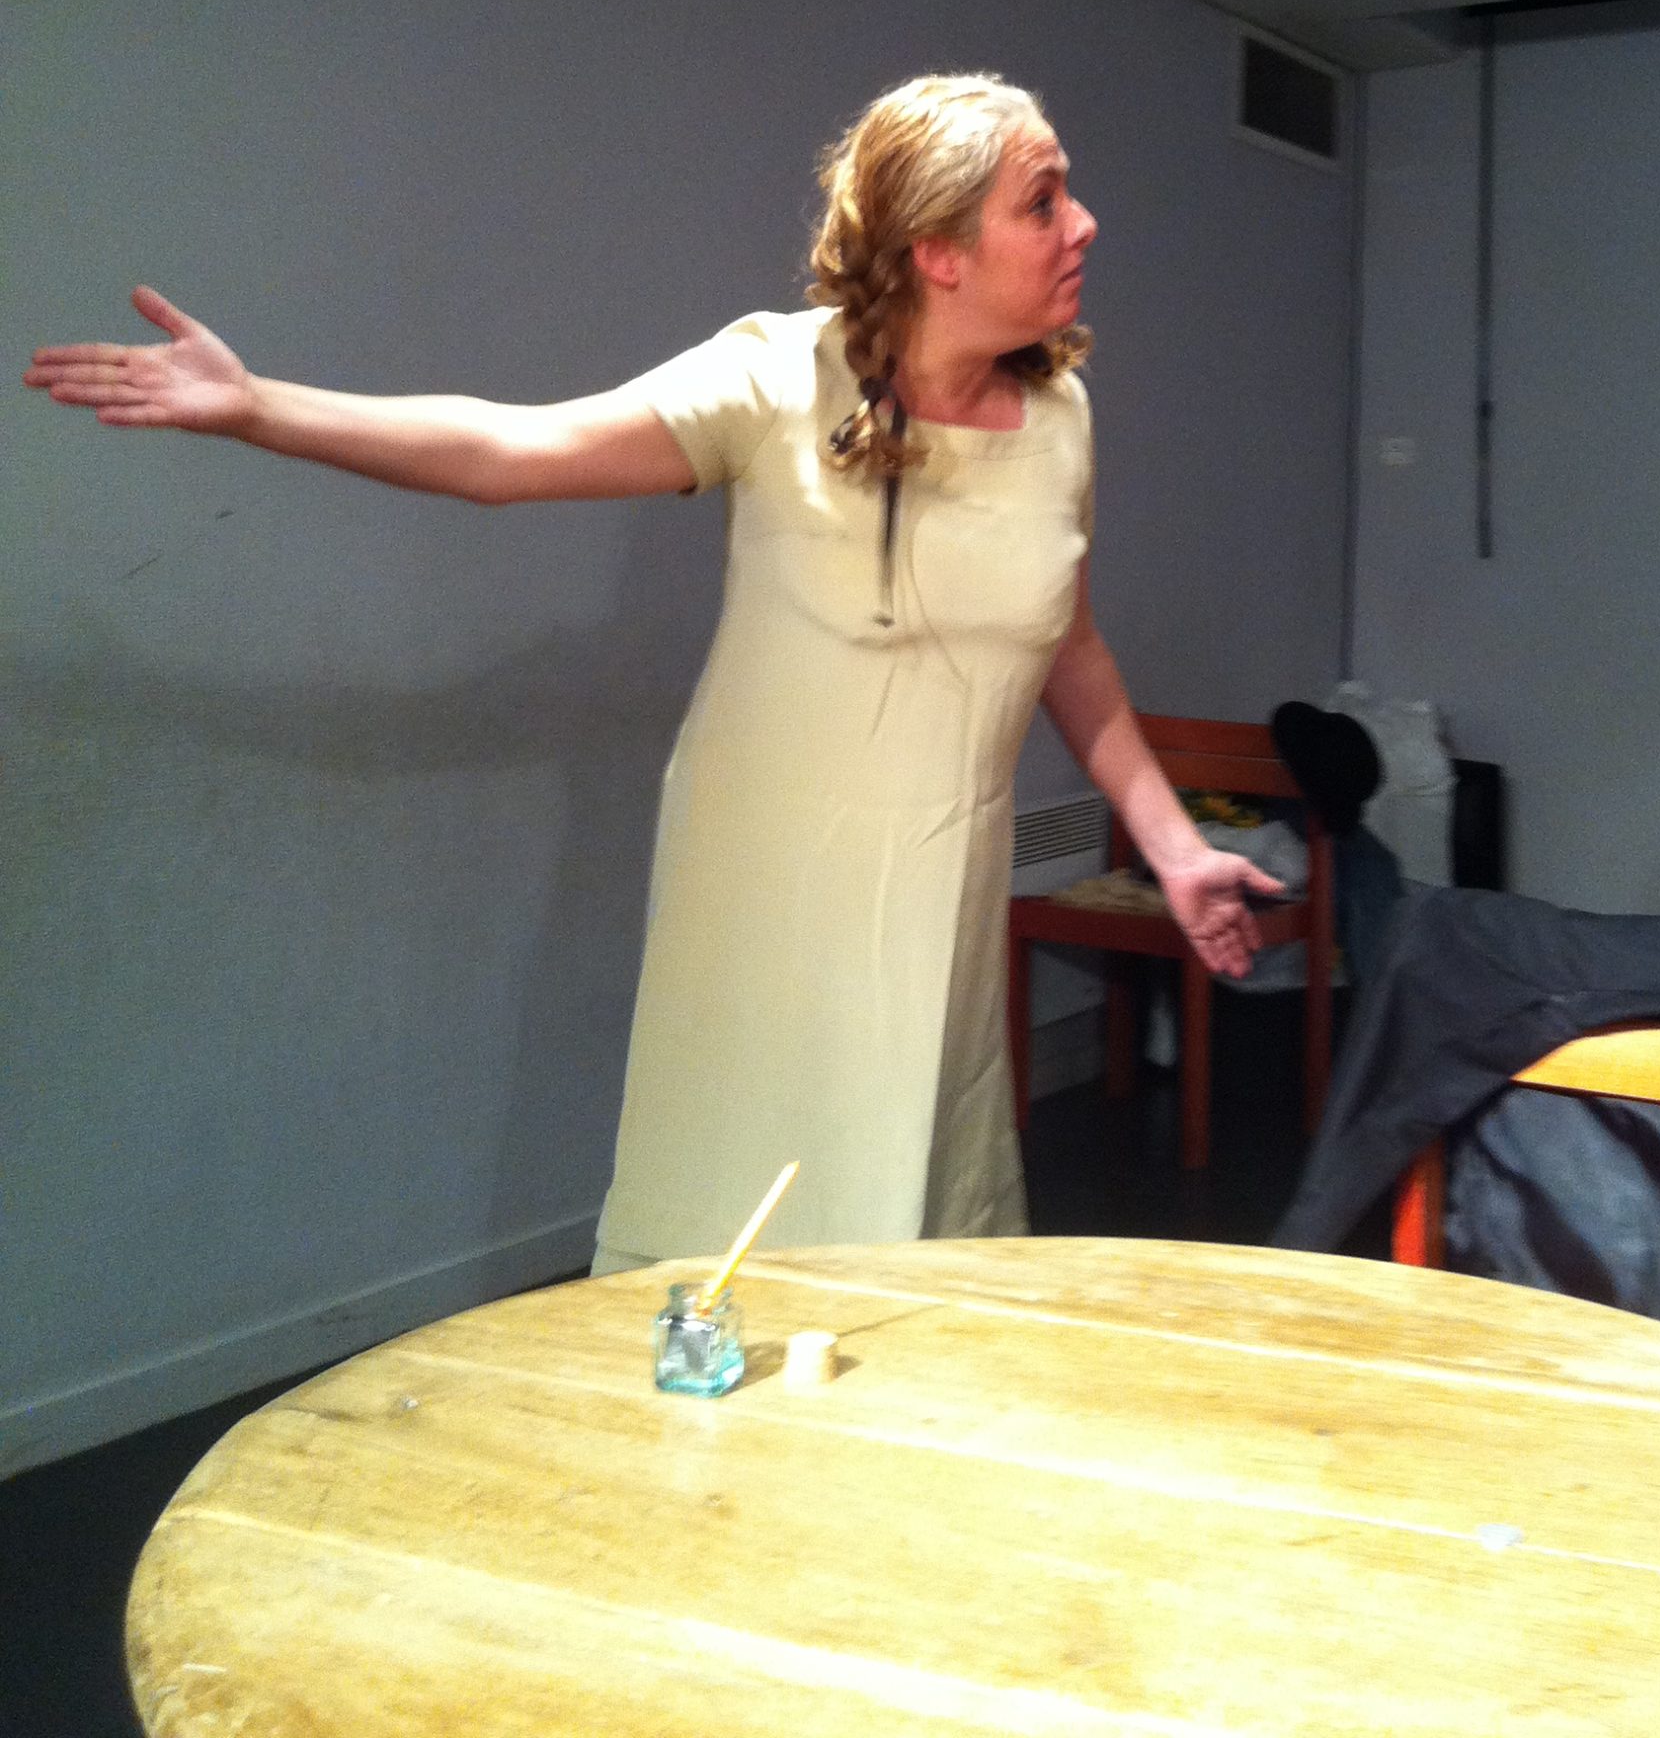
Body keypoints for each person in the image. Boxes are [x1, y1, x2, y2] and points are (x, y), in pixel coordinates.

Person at [24, 72, 1289, 1263]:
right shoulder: (776, 377)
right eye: (1043, 199)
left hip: (938, 898)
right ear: (939, 252)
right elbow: (512, 450)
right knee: (751, 1224)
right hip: (769, 898)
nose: (1084, 223)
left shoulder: (1060, 420)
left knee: (914, 1219)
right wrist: (259, 406)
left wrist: (1175, 849)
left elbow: (1068, 640)